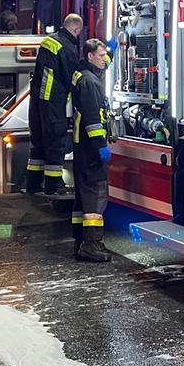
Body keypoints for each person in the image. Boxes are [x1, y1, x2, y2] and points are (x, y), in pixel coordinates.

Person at [25, 14, 83, 195]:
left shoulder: (49, 40)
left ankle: (33, 184)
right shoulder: (67, 47)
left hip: (37, 99)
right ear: (76, 29)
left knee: (38, 143)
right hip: (53, 100)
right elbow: (71, 76)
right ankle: (53, 185)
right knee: (54, 141)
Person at [69, 38, 112, 262]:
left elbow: (104, 64)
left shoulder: (83, 74)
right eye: (102, 55)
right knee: (95, 198)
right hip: (90, 149)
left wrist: (112, 47)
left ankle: (80, 240)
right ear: (90, 56)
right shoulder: (90, 83)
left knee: (82, 198)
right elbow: (94, 122)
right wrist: (101, 148)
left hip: (81, 148)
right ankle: (91, 245)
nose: (105, 59)